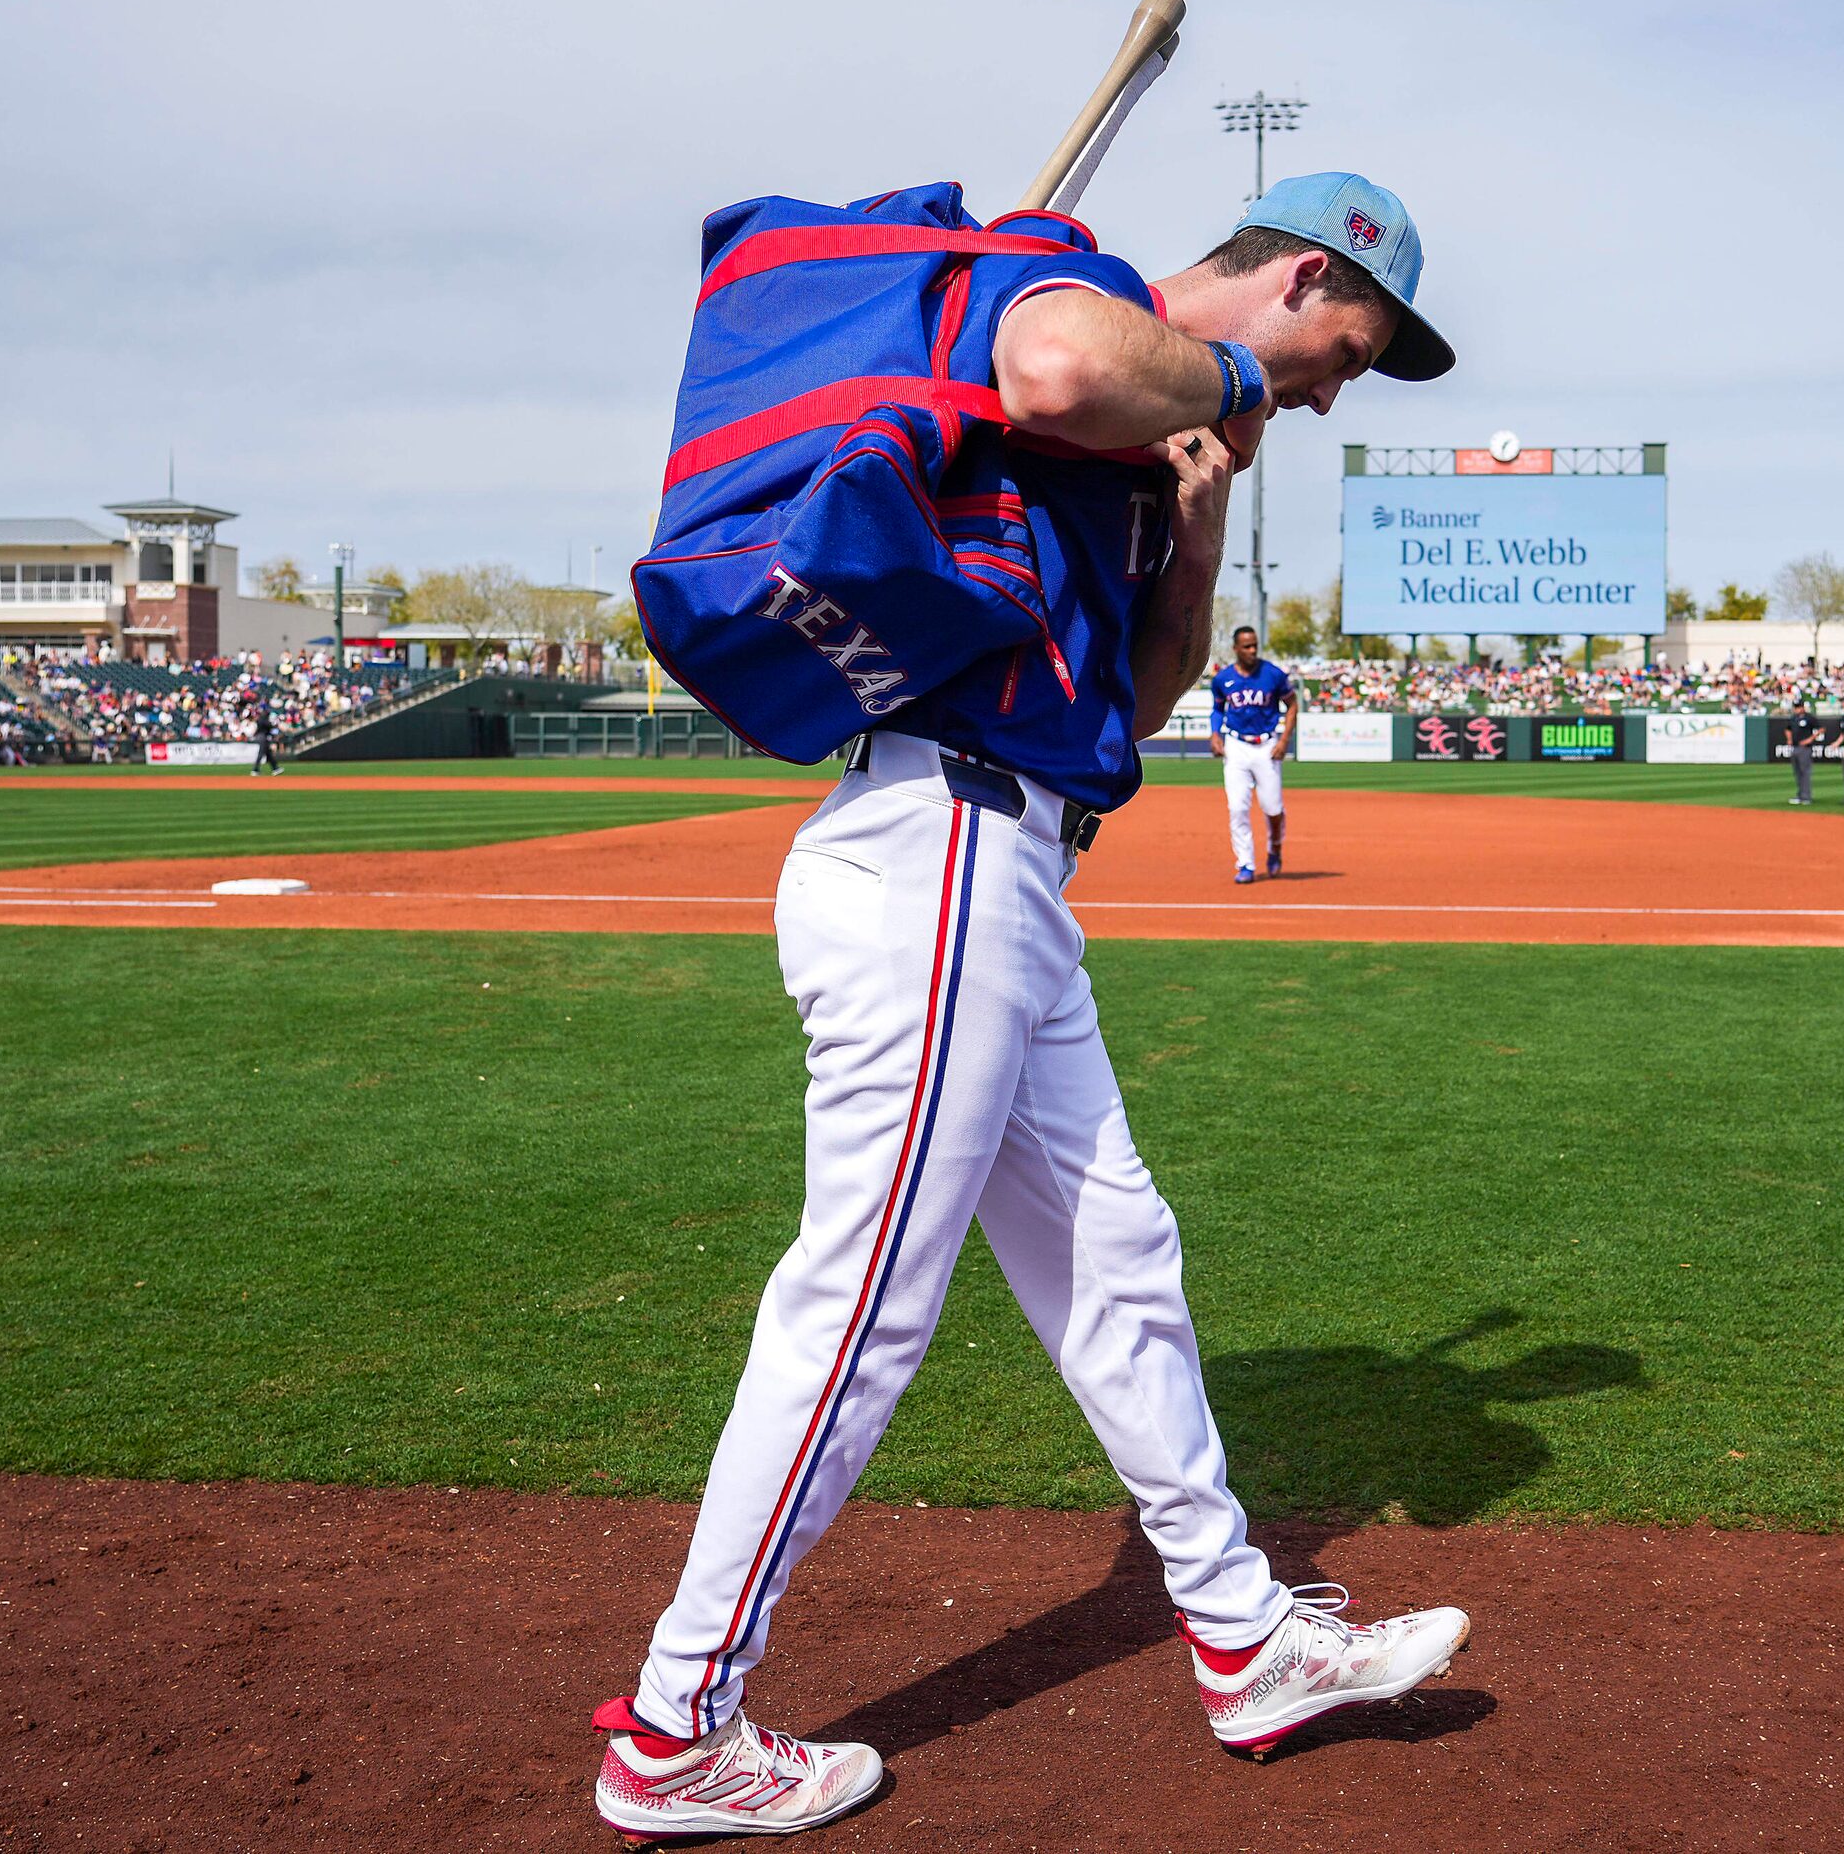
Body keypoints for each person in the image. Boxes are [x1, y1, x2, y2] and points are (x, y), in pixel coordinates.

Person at [594, 172, 1470, 1847]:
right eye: (1343, 348)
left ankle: (1240, 1636)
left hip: (1016, 863)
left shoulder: (1145, 455)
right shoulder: (1066, 289)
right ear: (1298, 277)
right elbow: (1063, 362)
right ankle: (675, 1722)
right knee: (858, 1305)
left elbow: (1126, 712)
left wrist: (1193, 530)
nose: (1330, 389)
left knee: (1118, 1252)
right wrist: (1213, 384)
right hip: (932, 851)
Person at [1208, 624, 1295, 882]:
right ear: (1236, 649)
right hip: (1236, 745)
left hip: (1267, 746)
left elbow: (1292, 705)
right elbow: (1217, 710)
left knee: (1272, 808)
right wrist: (1215, 734)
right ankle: (1245, 864)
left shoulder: (1273, 675)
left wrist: (1284, 741)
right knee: (1237, 808)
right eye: (1247, 646)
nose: (1252, 650)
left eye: (1255, 644)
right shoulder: (1223, 679)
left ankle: (1275, 848)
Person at [1786, 700, 1819, 805]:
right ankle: (1800, 795)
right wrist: (1789, 739)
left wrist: (1810, 739)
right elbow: (1787, 729)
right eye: (1796, 707)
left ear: (1803, 707)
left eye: (1799, 707)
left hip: (1805, 748)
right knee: (1797, 773)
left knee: (1805, 773)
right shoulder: (1793, 718)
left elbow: (1821, 729)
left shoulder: (1809, 718)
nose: (1797, 709)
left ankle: (1806, 797)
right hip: (1795, 747)